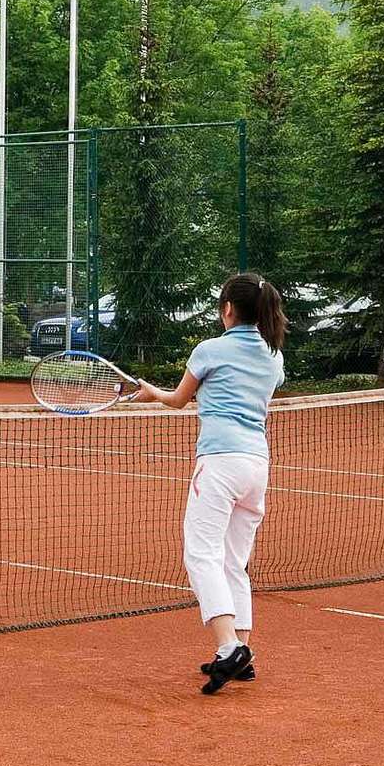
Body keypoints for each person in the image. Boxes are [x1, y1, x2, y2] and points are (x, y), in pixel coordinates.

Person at [137, 273, 286, 694]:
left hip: (219, 463)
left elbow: (180, 399)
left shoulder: (210, 350)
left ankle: (227, 648)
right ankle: (243, 652)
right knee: (233, 561)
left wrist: (153, 392)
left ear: (227, 310)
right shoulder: (273, 357)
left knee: (201, 555)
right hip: (256, 465)